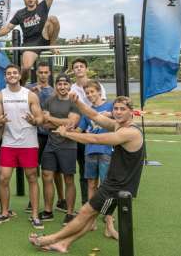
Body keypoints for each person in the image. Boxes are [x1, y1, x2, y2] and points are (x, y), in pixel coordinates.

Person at [29, 95, 144, 253]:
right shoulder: (119, 126)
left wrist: (66, 134)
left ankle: (50, 239)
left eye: (122, 109)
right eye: (115, 108)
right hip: (116, 182)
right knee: (90, 216)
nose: (118, 112)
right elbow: (94, 115)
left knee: (85, 212)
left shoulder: (130, 132)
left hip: (118, 186)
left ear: (131, 112)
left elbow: (95, 139)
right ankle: (64, 244)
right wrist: (77, 102)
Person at [0, 64, 44, 229]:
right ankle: (5, 212)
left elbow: (40, 118)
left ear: (20, 76)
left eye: (15, 73)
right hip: (8, 142)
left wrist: (33, 121)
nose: (12, 75)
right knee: (3, 177)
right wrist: (0, 121)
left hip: (28, 143)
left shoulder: (30, 95)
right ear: (5, 77)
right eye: (9, 73)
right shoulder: (0, 95)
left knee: (32, 178)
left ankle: (35, 215)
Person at [0, 0, 65, 83]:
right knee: (26, 67)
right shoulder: (20, 13)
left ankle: (52, 45)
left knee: (53, 19)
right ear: (24, 0)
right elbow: (7, 28)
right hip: (30, 42)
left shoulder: (42, 6)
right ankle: (21, 87)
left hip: (44, 36)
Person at [76, 79, 117, 237]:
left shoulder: (110, 106)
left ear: (99, 91)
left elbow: (119, 121)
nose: (90, 95)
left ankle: (109, 224)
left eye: (92, 92)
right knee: (91, 184)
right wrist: (70, 130)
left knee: (106, 186)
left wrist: (110, 115)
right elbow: (81, 129)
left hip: (106, 150)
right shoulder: (87, 111)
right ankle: (91, 220)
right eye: (87, 93)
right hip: (90, 151)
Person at [39, 74, 81, 226]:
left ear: (69, 86)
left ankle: (70, 213)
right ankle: (48, 211)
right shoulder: (49, 101)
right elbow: (44, 124)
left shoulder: (74, 101)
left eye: (65, 84)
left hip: (68, 145)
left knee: (68, 179)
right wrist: (57, 122)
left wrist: (51, 119)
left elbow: (71, 123)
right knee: (46, 175)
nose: (62, 87)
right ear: (56, 86)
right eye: (59, 84)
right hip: (51, 145)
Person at [26, 62, 66, 214]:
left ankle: (61, 199)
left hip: (50, 134)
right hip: (33, 133)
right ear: (36, 73)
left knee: (55, 170)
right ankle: (33, 199)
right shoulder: (29, 90)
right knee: (32, 168)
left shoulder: (54, 91)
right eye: (40, 72)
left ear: (49, 73)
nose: (43, 75)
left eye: (45, 72)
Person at [70, 58, 107, 205]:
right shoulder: (72, 89)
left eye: (81, 66)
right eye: (76, 67)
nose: (78, 69)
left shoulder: (98, 87)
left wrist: (105, 115)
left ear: (86, 69)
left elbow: (102, 108)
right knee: (86, 174)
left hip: (102, 138)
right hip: (84, 134)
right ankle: (87, 205)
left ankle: (106, 210)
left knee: (105, 177)